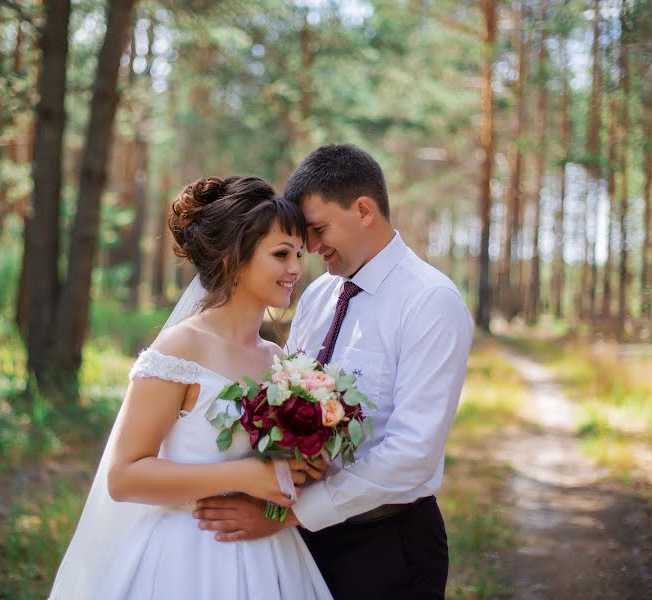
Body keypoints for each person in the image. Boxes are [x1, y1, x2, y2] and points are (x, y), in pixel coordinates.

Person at [194, 145, 474, 599]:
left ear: (363, 210)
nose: (311, 248)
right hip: (301, 542)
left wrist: (289, 515)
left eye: (319, 230)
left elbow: (413, 453)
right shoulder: (319, 296)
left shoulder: (430, 302)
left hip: (385, 546)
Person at [49, 176, 333, 599]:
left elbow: (275, 467)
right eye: (280, 254)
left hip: (267, 556)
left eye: (297, 253)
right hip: (186, 555)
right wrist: (245, 475)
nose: (295, 269)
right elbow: (124, 477)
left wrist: (305, 465)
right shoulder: (181, 349)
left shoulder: (278, 360)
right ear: (232, 261)